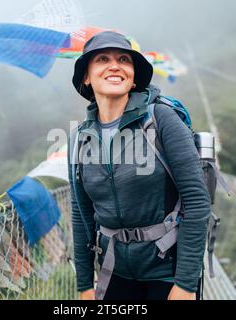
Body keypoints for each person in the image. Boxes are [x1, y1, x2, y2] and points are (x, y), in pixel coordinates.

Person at [68, 31, 211, 300]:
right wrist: (84, 285)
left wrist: (186, 286)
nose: (115, 65)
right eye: (102, 59)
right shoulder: (80, 139)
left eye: (124, 59)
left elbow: (197, 200)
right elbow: (81, 213)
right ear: (86, 76)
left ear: (133, 77)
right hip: (114, 271)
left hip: (167, 271)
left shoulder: (161, 119)